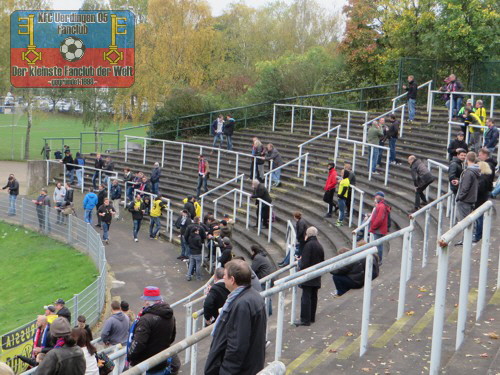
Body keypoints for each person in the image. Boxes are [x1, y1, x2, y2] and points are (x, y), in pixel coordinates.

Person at [204, 260, 267, 375]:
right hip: (252, 365)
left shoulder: (242, 305)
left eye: (225, 275)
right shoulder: (254, 296)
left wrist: (225, 372)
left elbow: (237, 346)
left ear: (232, 280)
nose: (223, 277)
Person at [127, 286, 180, 375]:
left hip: (149, 365)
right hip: (163, 361)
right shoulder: (169, 315)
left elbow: (138, 343)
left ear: (147, 302)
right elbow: (172, 337)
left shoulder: (145, 319)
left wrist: (130, 356)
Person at [294, 227, 324, 327]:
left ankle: (305, 320)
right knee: (313, 296)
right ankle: (311, 317)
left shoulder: (308, 245)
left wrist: (299, 262)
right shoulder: (319, 245)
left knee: (306, 297)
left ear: (308, 235)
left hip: (309, 275)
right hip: (316, 275)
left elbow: (305, 263)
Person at [455, 152, 480, 245]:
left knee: (465, 222)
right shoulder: (476, 170)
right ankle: (466, 239)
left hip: (465, 200)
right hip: (471, 199)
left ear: (467, 159)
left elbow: (465, 188)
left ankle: (466, 240)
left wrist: (459, 198)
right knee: (468, 221)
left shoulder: (469, 172)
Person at [368, 192, 391, 264]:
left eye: (376, 197)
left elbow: (379, 219)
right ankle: (378, 260)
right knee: (378, 245)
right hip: (380, 229)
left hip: (379, 229)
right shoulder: (381, 205)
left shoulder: (381, 206)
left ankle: (378, 260)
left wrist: (373, 226)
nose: (375, 198)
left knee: (378, 245)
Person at [473, 161, 493, 243]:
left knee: (479, 219)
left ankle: (478, 235)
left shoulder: (482, 178)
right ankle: (478, 234)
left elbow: (479, 190)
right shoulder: (488, 177)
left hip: (479, 200)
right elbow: (490, 188)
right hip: (484, 199)